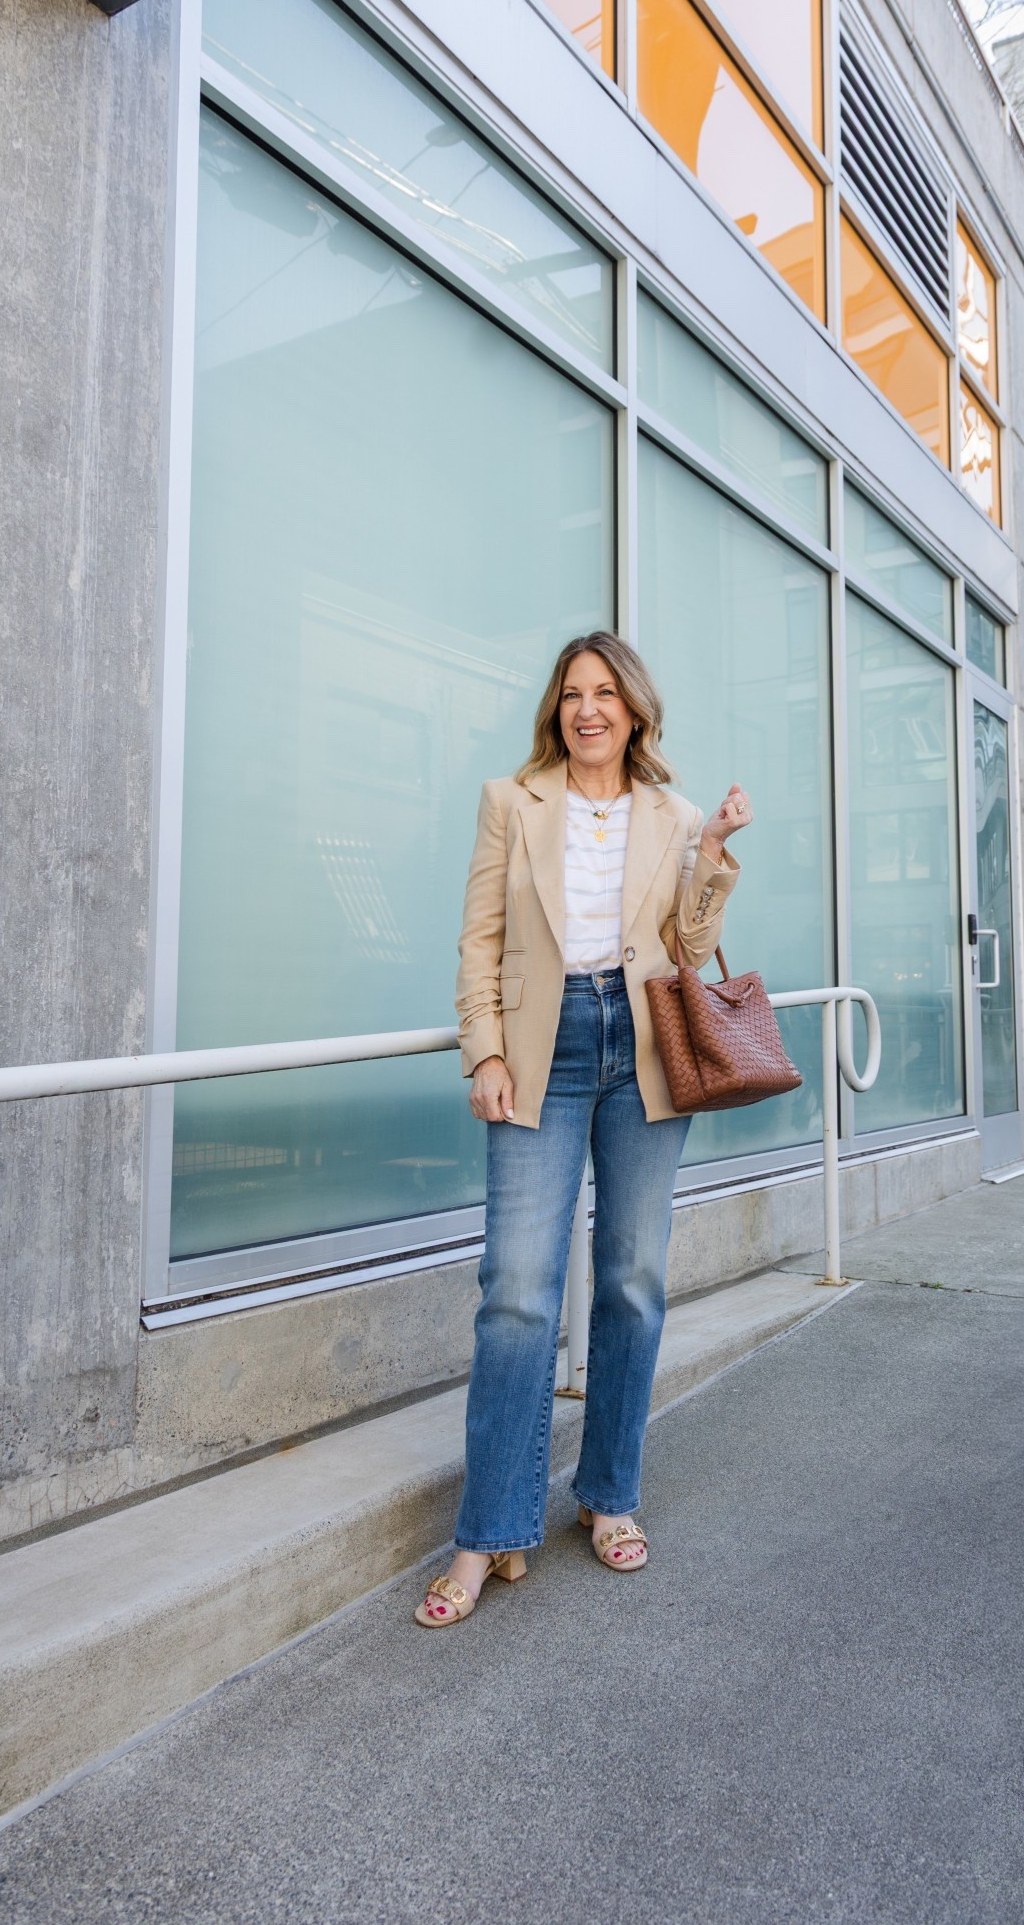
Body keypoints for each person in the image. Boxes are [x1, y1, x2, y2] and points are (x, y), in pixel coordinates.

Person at [416, 632, 752, 1627]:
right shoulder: (511, 801)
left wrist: (713, 854)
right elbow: (480, 937)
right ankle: (490, 1527)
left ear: (634, 709)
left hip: (640, 1044)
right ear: (555, 709)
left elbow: (690, 948)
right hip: (542, 1047)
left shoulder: (672, 813)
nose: (587, 708)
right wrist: (483, 1050)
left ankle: (607, 1495)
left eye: (605, 692)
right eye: (572, 693)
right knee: (516, 1290)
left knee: (632, 1280)